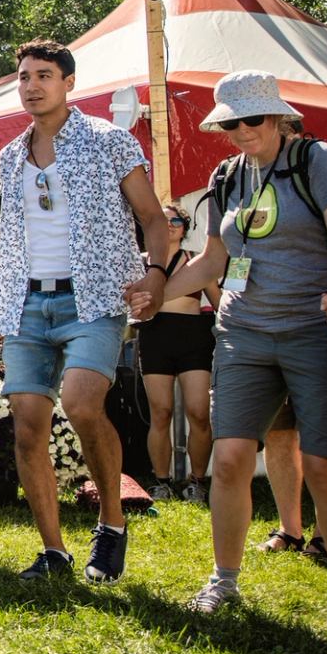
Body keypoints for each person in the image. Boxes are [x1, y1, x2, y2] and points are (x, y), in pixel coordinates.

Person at [159, 72, 327, 636]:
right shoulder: (227, 175)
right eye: (229, 122)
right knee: (229, 459)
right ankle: (223, 581)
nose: (239, 131)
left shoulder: (318, 159)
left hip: (317, 330)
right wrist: (152, 296)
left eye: (250, 119)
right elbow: (212, 264)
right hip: (243, 334)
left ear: (279, 118)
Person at [0, 39, 171, 583]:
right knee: (27, 425)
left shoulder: (110, 142)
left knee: (83, 404)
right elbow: (17, 232)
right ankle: (53, 552)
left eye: (44, 75)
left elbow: (154, 219)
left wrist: (156, 275)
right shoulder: (8, 155)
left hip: (92, 297)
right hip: (25, 304)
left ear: (69, 83)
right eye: (23, 77)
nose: (32, 85)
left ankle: (111, 525)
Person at [137, 203, 219, 503]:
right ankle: (161, 481)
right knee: (161, 412)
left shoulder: (197, 262)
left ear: (184, 228)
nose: (170, 225)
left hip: (193, 337)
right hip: (155, 337)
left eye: (176, 220)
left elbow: (221, 304)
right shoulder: (141, 263)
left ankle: (197, 481)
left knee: (199, 412)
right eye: (164, 219)